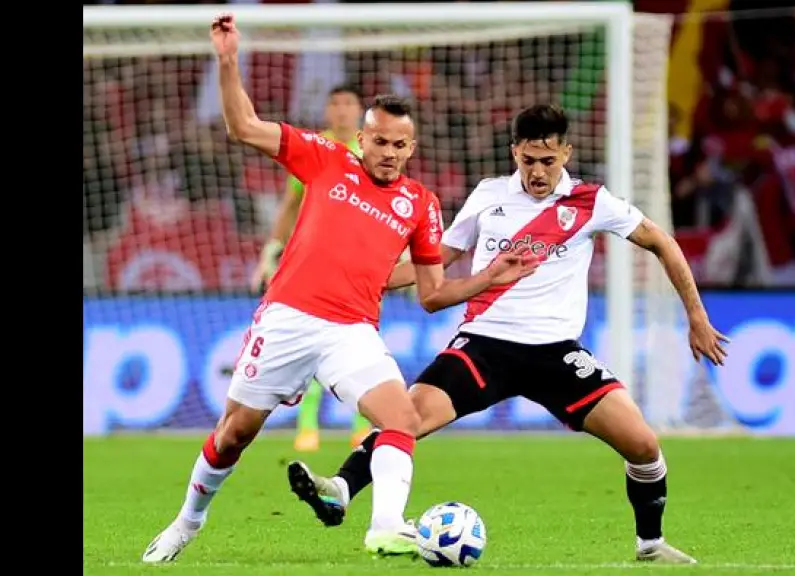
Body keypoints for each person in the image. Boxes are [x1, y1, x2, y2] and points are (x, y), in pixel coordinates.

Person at [142, 14, 539, 563]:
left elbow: (430, 293)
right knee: (233, 434)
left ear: (412, 145)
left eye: (400, 144)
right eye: (380, 141)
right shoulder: (325, 159)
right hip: (287, 317)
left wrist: (488, 278)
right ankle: (187, 522)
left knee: (400, 418)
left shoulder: (420, 204)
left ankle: (386, 527)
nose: (390, 152)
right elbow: (245, 127)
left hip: (351, 330)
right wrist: (229, 60)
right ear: (361, 138)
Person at [286, 104, 729, 565]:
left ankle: (650, 545)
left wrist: (696, 317)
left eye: (549, 160)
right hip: (484, 345)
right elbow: (441, 257)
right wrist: (368, 279)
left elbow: (662, 241)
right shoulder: (488, 195)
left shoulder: (593, 202)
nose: (538, 171)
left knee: (643, 444)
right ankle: (338, 490)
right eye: (528, 160)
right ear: (513, 151)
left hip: (555, 354)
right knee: (406, 417)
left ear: (566, 153)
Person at [250, 84, 375, 453]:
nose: (341, 111)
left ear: (360, 111)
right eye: (335, 103)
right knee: (315, 344)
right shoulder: (314, 148)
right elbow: (291, 204)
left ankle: (361, 427)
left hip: (360, 266)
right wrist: (272, 250)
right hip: (316, 265)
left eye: (348, 103)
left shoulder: (374, 150)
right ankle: (307, 427)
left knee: (363, 346)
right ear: (326, 110)